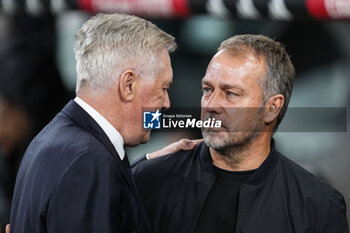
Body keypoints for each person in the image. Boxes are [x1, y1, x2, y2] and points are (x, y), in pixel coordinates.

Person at [133, 35, 349, 233]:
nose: (212, 104)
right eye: (207, 90)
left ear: (272, 108)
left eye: (231, 94)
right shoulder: (150, 179)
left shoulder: (316, 204)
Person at [9, 13, 186, 233]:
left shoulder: (54, 138)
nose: (167, 103)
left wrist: (146, 164)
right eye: (163, 88)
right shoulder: (90, 162)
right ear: (128, 85)